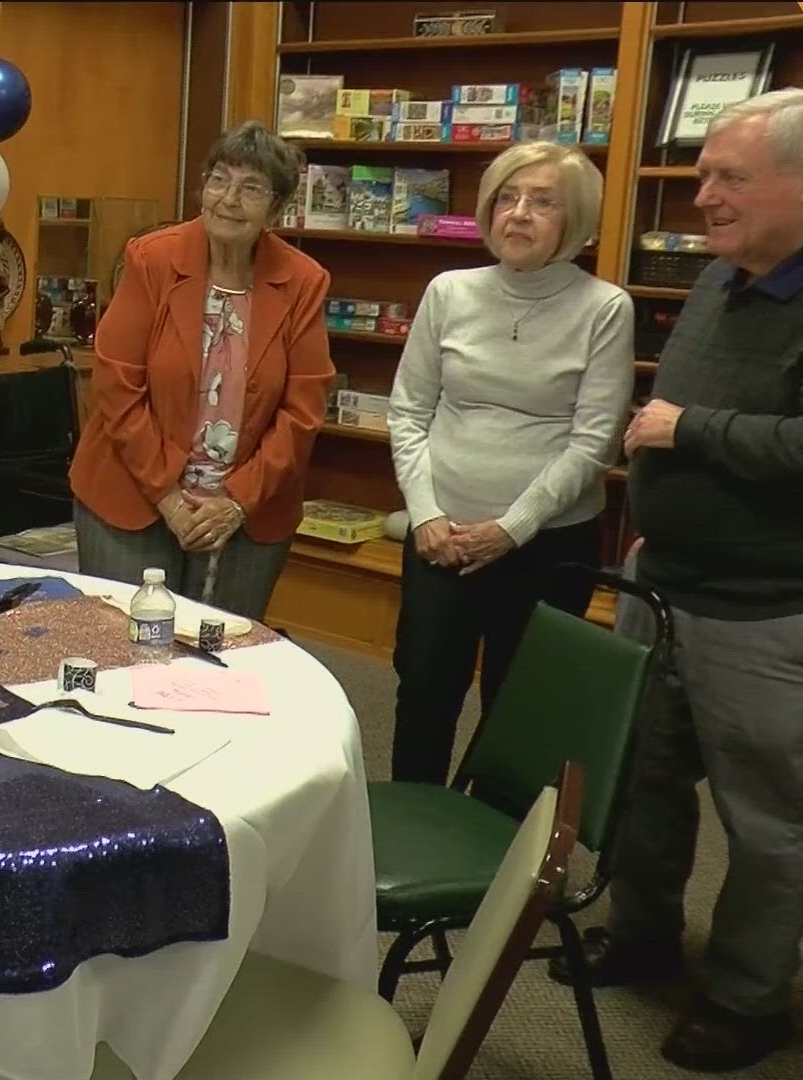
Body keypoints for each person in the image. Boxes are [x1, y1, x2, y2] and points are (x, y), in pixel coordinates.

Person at [567, 89, 803, 1072]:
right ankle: (643, 935)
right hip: (657, 585)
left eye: (727, 177)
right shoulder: (720, 280)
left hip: (765, 613)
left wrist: (688, 430)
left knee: (771, 826)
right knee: (641, 790)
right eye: (702, 172)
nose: (701, 194)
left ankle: (749, 1001)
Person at [385, 142, 634, 786]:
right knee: (424, 691)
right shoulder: (448, 291)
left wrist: (511, 528)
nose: (518, 213)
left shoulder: (605, 307)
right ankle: (410, 839)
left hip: (547, 544)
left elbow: (594, 440)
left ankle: (500, 864)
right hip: (440, 539)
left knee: (520, 704)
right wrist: (426, 516)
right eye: (506, 198)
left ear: (574, 220)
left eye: (541, 201)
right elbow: (408, 414)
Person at [68, 121, 333, 619]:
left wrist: (233, 502)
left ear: (276, 209)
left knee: (222, 661)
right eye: (219, 179)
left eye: (251, 188)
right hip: (131, 496)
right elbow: (116, 386)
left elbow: (303, 411)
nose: (229, 199)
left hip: (247, 511)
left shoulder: (304, 281)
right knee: (122, 654)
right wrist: (169, 497)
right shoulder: (152, 259)